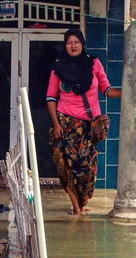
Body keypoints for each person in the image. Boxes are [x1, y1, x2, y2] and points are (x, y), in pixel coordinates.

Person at [45, 28, 121, 215]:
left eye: (77, 42)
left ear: (82, 44)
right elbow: (51, 98)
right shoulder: (58, 68)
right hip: (66, 123)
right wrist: (56, 124)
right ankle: (77, 208)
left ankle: (83, 203)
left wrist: (129, 91)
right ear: (65, 45)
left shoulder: (94, 63)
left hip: (89, 125)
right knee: (67, 166)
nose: (73, 45)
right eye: (69, 42)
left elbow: (107, 89)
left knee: (88, 170)